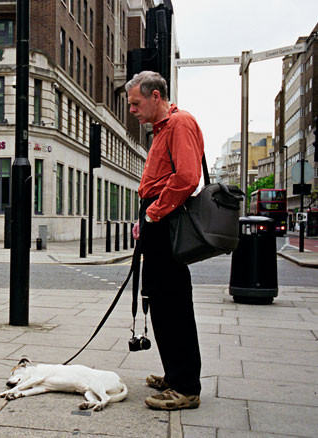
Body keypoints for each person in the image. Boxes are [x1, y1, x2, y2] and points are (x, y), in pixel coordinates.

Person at [126, 71, 203, 411]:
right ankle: (174, 374)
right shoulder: (160, 130)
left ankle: (186, 386)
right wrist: (145, 220)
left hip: (167, 221)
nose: (132, 110)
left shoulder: (180, 123)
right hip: (157, 222)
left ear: (155, 96)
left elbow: (187, 176)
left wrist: (155, 213)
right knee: (159, 301)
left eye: (135, 103)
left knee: (174, 304)